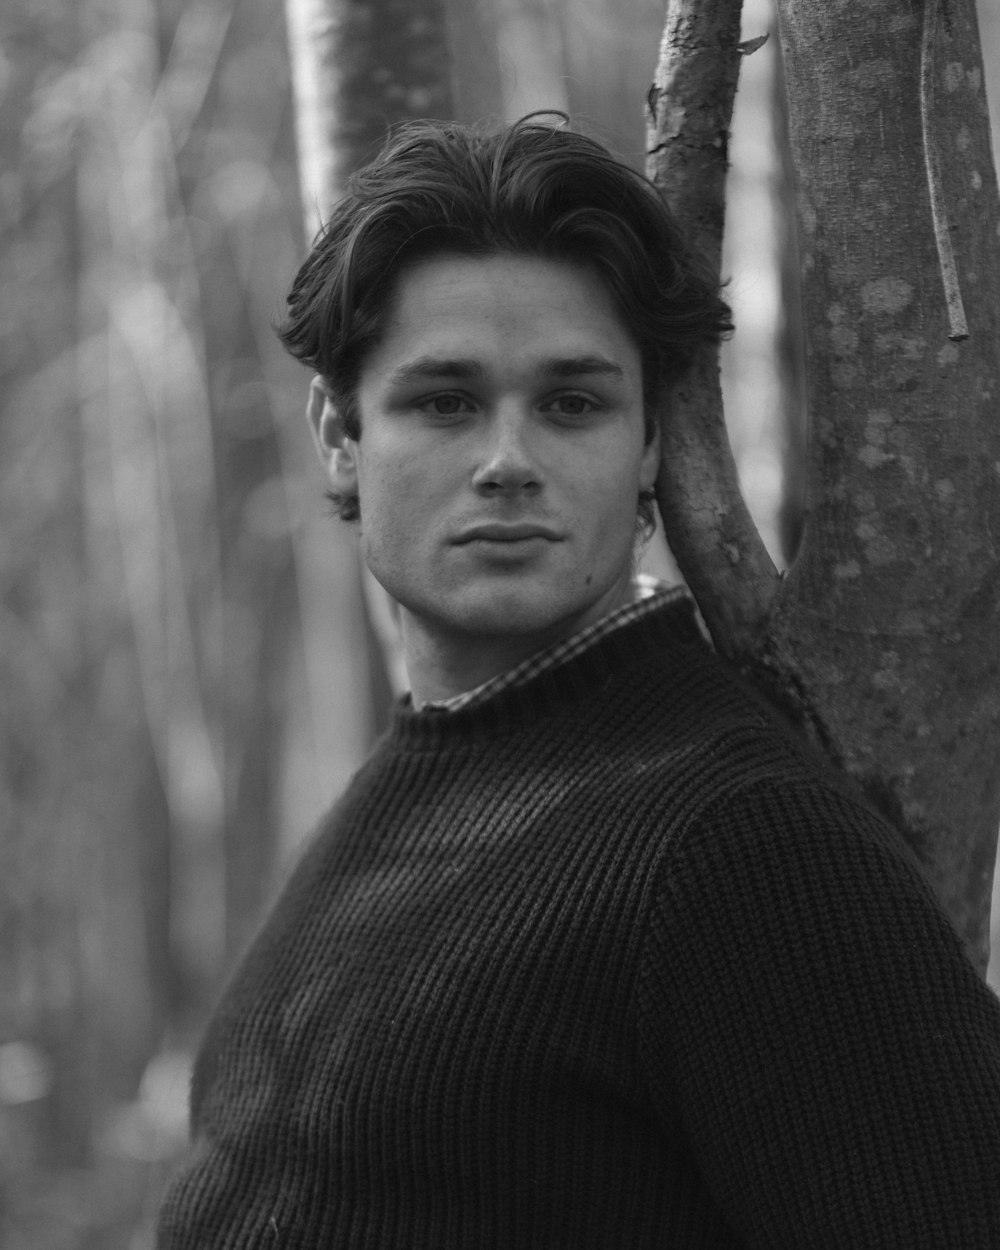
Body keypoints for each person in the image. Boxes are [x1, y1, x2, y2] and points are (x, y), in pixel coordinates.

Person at [156, 116, 1000, 1248]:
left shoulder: (741, 849)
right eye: (444, 400)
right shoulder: (427, 771)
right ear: (341, 436)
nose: (508, 459)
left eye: (571, 403)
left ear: (648, 443)